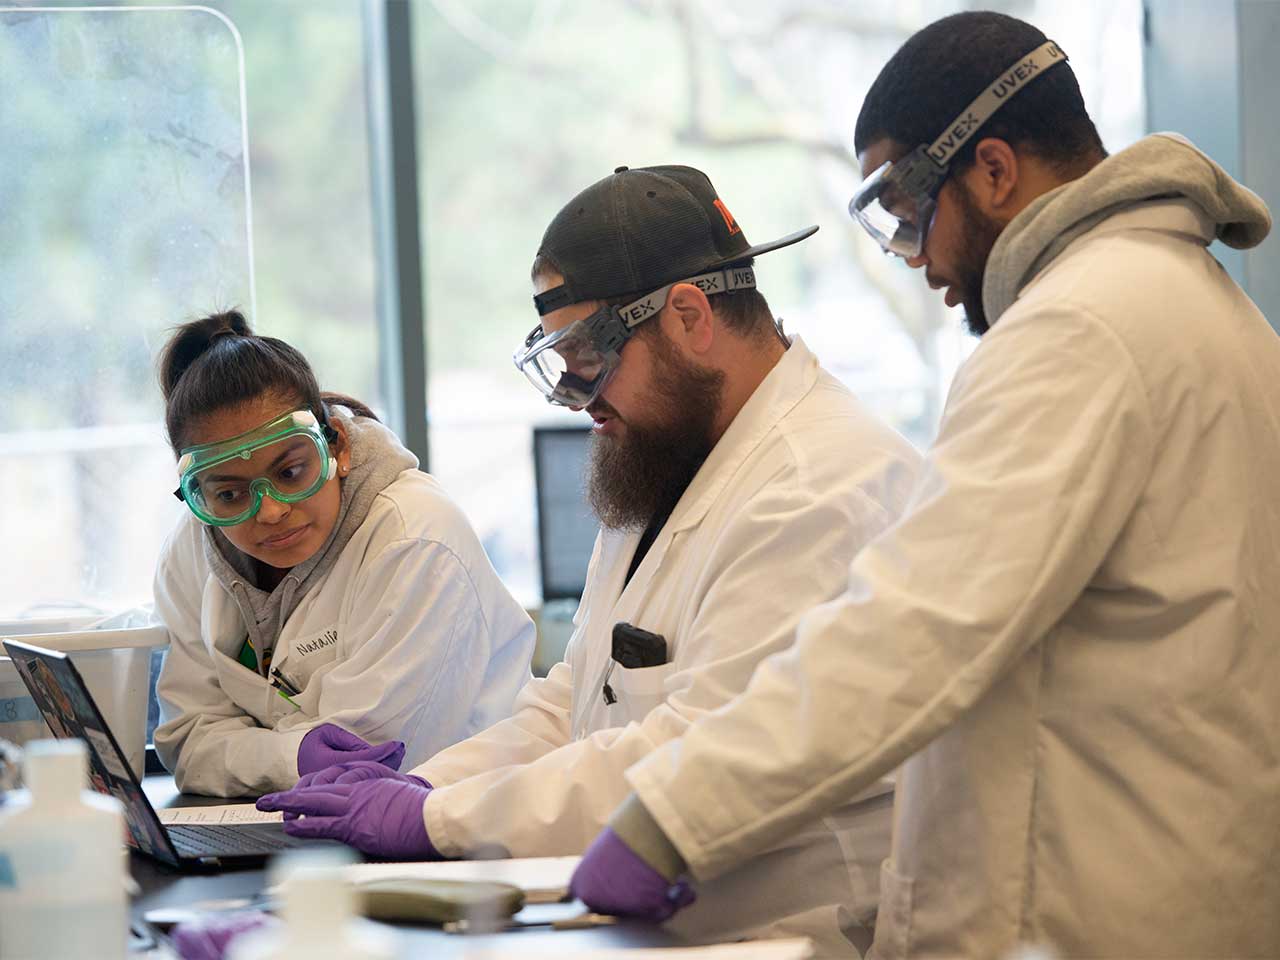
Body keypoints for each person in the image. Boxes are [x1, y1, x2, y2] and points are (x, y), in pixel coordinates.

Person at [567, 12, 1280, 959]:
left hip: (1086, 915)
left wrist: (667, 820)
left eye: (910, 212)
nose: (923, 262)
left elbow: (914, 633)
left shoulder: (1077, 331)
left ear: (992, 169)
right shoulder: (1198, 306)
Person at [258, 165, 922, 955]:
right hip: (661, 922)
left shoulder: (821, 488)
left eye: (587, 357)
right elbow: (577, 699)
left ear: (687, 316)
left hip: (784, 932)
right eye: (559, 363)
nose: (577, 398)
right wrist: (427, 785)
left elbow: (693, 748)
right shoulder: (674, 450)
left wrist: (435, 821)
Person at [152, 312, 535, 797]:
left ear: (339, 446)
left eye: (291, 472)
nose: (269, 512)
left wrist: (250, 753)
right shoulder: (193, 547)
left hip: (464, 822)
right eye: (229, 494)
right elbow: (188, 743)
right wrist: (297, 755)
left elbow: (370, 759)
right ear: (198, 495)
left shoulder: (414, 538)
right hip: (300, 826)